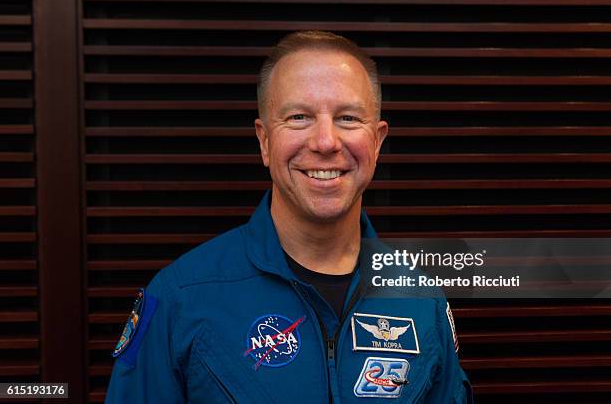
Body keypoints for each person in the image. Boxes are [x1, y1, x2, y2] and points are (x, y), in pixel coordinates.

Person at [105, 30, 473, 403]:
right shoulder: (179, 298)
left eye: (347, 117)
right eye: (299, 117)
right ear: (265, 141)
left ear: (376, 142)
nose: (326, 142)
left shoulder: (422, 300)